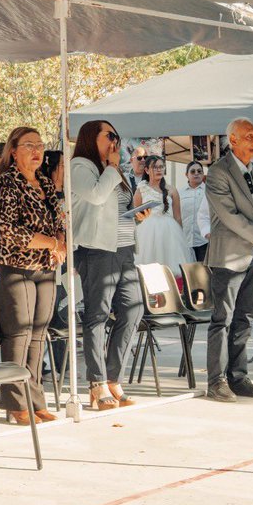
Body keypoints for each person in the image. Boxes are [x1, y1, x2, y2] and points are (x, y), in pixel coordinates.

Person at [0, 127, 64, 424]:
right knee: (18, 335)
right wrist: (50, 243)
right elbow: (6, 230)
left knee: (38, 336)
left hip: (45, 268)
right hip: (14, 267)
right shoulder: (6, 183)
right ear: (13, 150)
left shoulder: (44, 180)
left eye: (39, 145)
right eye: (28, 145)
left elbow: (58, 220)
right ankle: (15, 403)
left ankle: (35, 400)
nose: (36, 150)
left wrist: (61, 243)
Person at [70, 120, 147, 411]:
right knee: (97, 314)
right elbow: (96, 196)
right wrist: (113, 168)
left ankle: (113, 376)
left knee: (133, 307)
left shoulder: (113, 170)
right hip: (97, 249)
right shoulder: (81, 165)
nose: (115, 141)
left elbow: (117, 207)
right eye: (110, 135)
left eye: (117, 135)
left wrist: (136, 215)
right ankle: (97, 382)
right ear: (92, 138)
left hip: (124, 247)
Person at [203, 118, 253, 402]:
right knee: (222, 319)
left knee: (245, 317)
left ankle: (239, 376)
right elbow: (230, 216)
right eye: (249, 135)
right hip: (228, 257)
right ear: (233, 139)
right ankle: (216, 381)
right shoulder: (217, 173)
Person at [133, 156, 194, 277]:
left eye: (161, 166)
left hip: (169, 231)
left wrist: (180, 238)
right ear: (146, 170)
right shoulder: (140, 190)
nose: (159, 170)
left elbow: (178, 217)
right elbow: (136, 217)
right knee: (148, 267)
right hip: (147, 232)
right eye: (155, 167)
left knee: (170, 268)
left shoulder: (172, 190)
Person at [179, 161, 210, 261]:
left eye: (199, 171)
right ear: (186, 175)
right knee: (187, 272)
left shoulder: (210, 191)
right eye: (192, 171)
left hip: (204, 241)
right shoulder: (179, 193)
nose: (196, 173)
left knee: (205, 273)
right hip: (185, 240)